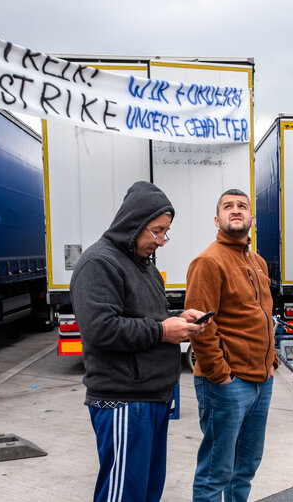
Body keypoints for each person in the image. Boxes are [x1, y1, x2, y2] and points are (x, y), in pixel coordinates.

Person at [71, 181, 208, 502]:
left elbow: (143, 315)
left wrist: (179, 317)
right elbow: (100, 329)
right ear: (134, 224)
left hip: (151, 398)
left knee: (145, 492)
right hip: (123, 401)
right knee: (123, 495)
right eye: (156, 231)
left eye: (165, 232)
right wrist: (163, 331)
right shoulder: (99, 264)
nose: (160, 241)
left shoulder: (142, 264)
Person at [185, 189, 276, 502]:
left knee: (245, 468)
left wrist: (272, 360)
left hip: (261, 381)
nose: (236, 210)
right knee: (216, 474)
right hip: (227, 384)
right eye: (228, 206)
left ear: (251, 218)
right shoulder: (207, 262)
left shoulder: (258, 262)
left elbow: (264, 314)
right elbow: (199, 327)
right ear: (217, 219)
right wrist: (220, 375)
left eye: (242, 206)